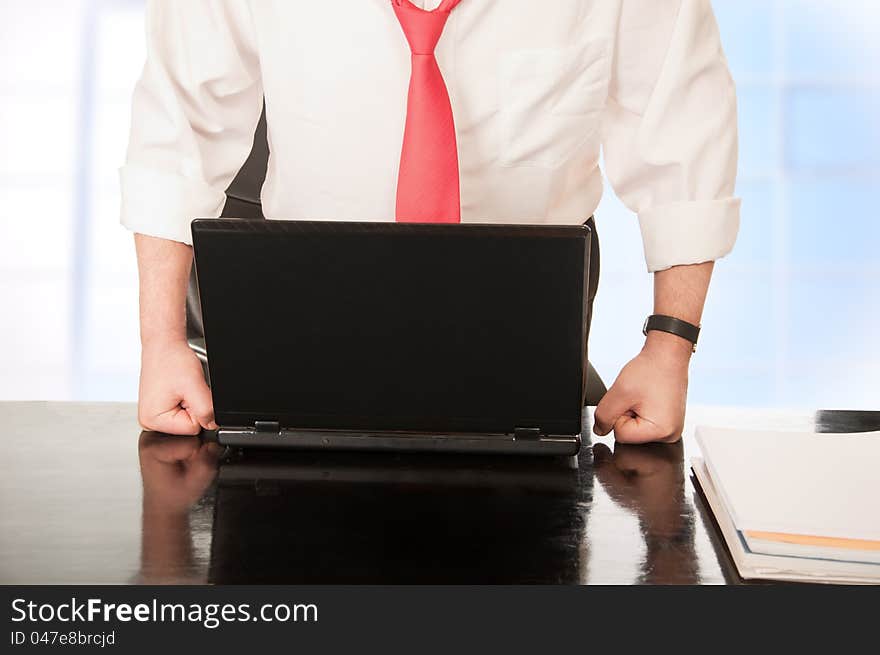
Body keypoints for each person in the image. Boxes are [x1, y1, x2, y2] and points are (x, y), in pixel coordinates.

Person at [122, 0, 739, 444]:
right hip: (303, 332)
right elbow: (180, 131)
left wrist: (669, 348)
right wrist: (163, 342)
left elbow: (681, 140)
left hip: (524, 341)